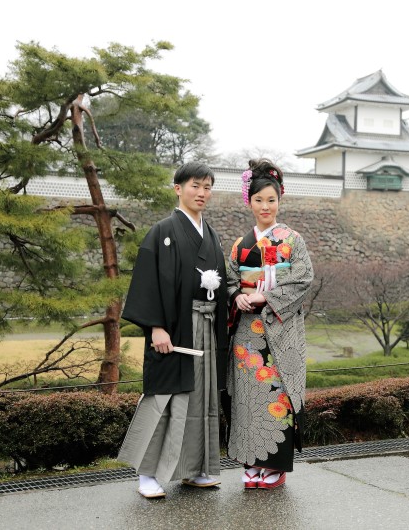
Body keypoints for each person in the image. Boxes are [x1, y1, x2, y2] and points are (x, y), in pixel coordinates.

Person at [117, 162, 229, 499]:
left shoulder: (211, 234)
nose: (202, 193)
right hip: (175, 329)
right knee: (167, 399)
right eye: (195, 185)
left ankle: (193, 470)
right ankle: (147, 473)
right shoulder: (162, 231)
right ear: (178, 188)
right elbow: (148, 284)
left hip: (206, 328)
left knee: (201, 399)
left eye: (207, 187)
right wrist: (156, 328)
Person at [225, 158, 314, 489]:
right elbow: (230, 278)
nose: (265, 206)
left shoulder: (292, 240)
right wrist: (236, 296)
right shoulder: (240, 244)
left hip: (280, 329)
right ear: (249, 201)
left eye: (271, 200)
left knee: (277, 393)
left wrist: (265, 297)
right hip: (247, 332)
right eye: (259, 200)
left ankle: (275, 466)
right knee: (248, 396)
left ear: (280, 200)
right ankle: (251, 463)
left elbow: (303, 278)